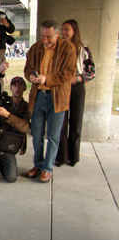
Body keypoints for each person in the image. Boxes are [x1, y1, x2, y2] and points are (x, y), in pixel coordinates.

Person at [24, 20, 77, 183]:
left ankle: (48, 168)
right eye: (42, 37)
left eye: (49, 37)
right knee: (37, 134)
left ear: (57, 34)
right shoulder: (35, 48)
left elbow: (69, 73)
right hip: (39, 96)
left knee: (53, 135)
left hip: (57, 98)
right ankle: (38, 164)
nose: (45, 41)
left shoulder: (68, 48)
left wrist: (47, 78)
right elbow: (27, 69)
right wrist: (31, 76)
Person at [56, 19, 96, 167]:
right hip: (62, 88)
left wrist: (77, 79)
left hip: (77, 88)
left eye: (67, 29)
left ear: (74, 31)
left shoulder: (83, 49)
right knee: (61, 123)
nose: (64, 32)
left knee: (76, 123)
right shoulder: (58, 49)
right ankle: (61, 156)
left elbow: (91, 72)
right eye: (63, 29)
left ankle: (73, 156)